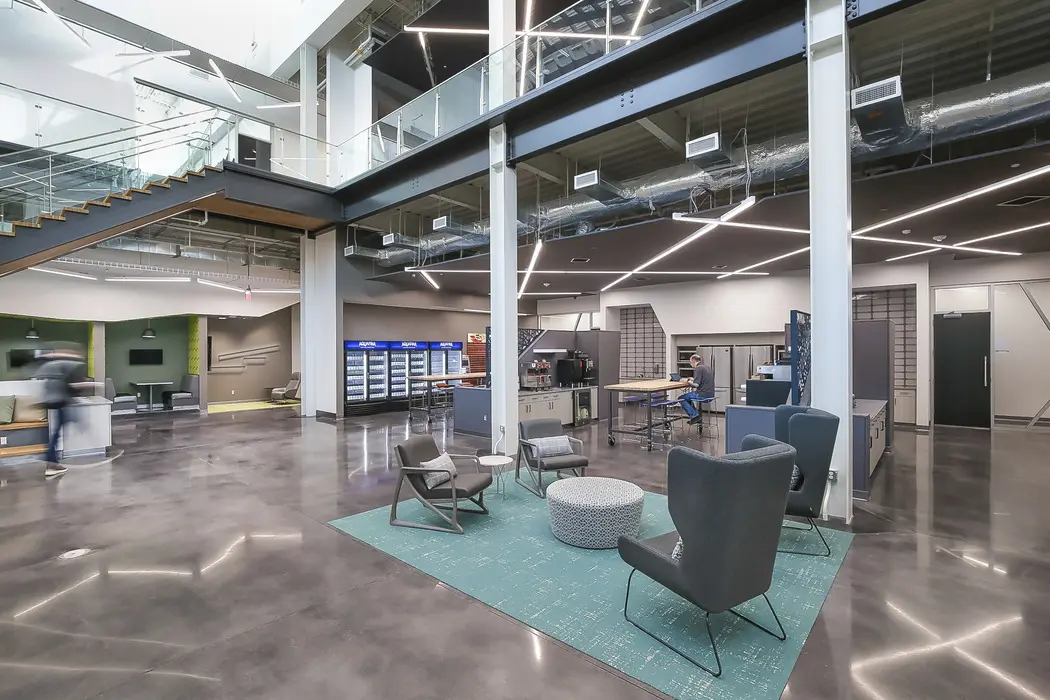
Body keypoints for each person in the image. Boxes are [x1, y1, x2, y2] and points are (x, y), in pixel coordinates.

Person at [33, 344, 92, 477]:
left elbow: (65, 387)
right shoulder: (63, 366)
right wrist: (89, 385)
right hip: (58, 402)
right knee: (57, 432)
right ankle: (52, 464)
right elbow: (71, 387)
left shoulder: (53, 368)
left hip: (54, 402)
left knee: (57, 432)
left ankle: (51, 462)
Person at [678, 354, 715, 426]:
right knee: (687, 398)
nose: (690, 364)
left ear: (693, 361)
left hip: (702, 395)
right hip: (710, 394)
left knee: (681, 398)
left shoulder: (698, 368)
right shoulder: (706, 367)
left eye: (690, 362)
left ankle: (695, 416)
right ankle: (696, 415)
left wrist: (686, 381)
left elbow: (696, 385)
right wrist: (692, 379)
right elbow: (702, 380)